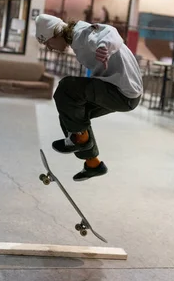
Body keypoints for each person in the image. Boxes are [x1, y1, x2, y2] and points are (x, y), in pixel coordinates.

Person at [35, 14, 143, 181]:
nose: (49, 48)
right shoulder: (77, 41)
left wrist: (103, 47)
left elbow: (110, 32)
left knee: (65, 88)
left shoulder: (81, 33)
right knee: (70, 114)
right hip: (121, 93)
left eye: (47, 42)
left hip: (122, 92)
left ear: (56, 33)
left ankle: (79, 139)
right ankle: (93, 165)